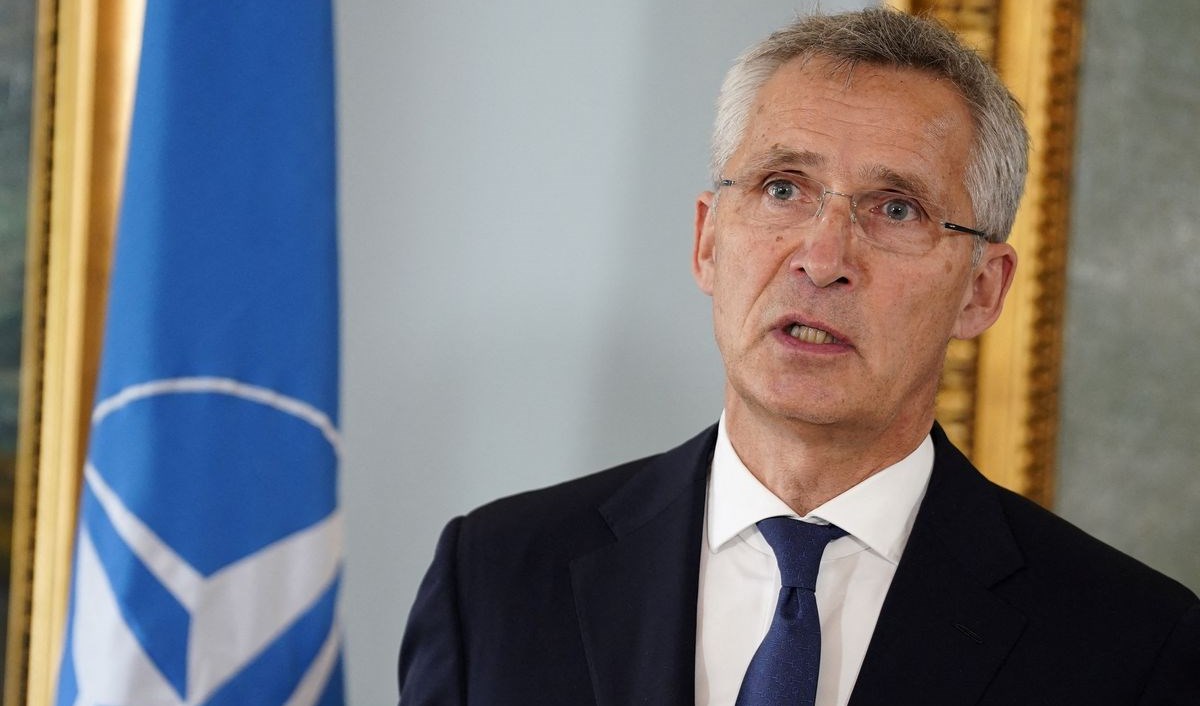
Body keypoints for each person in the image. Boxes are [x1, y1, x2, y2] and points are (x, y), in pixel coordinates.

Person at [397, 8, 1200, 705]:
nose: (822, 257)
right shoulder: (496, 577)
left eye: (896, 208)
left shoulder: (1136, 645)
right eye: (783, 187)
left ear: (982, 291)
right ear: (709, 240)